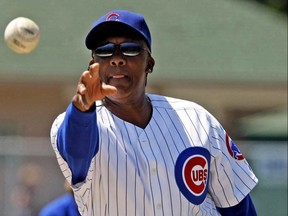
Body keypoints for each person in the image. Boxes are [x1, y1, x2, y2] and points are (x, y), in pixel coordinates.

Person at [50, 9, 258, 216]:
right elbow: (77, 152)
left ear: (149, 63)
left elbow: (238, 207)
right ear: (93, 65)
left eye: (130, 49)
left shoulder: (196, 119)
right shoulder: (73, 124)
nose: (116, 59)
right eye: (105, 51)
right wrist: (81, 108)